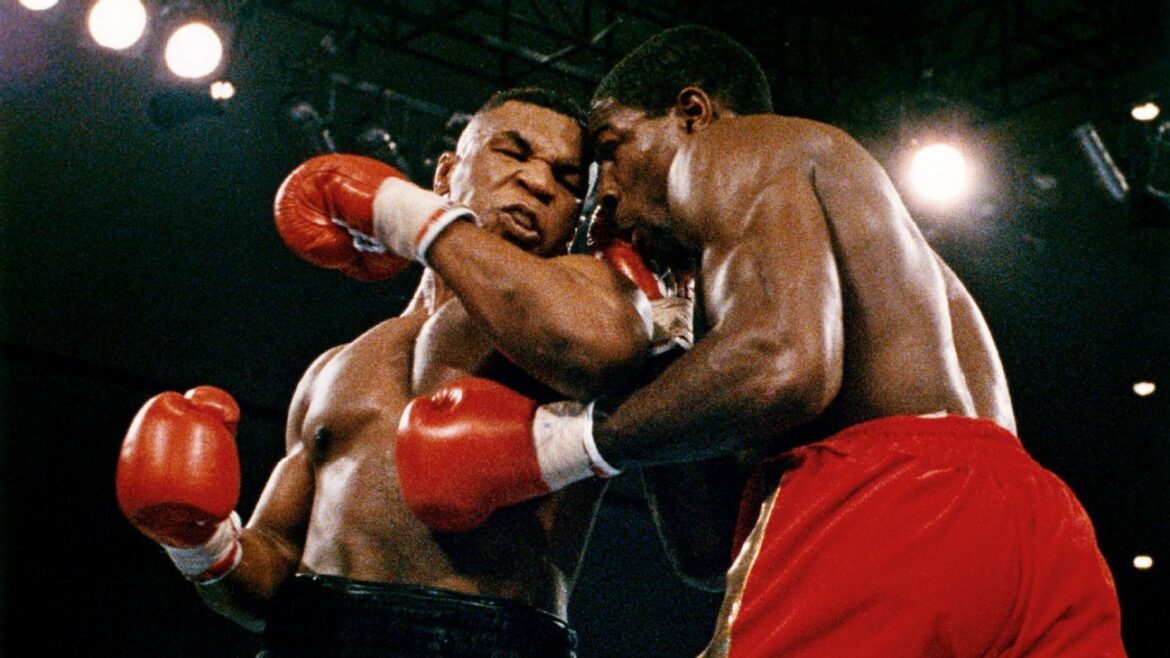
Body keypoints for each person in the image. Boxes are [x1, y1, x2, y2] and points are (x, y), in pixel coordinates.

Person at [386, 26, 1128, 656]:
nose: (602, 193)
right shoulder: (867, 249)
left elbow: (786, 366)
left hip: (891, 504)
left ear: (692, 112)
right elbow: (709, 552)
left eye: (612, 148)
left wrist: (554, 446)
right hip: (1043, 534)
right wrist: (662, 345)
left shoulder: (734, 147)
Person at [114, 87, 674, 657]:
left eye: (567, 178)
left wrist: (403, 214)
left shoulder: (591, 305)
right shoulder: (334, 367)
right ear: (446, 174)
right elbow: (273, 576)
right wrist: (201, 545)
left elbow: (597, 347)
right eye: (513, 152)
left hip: (487, 640)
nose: (538, 182)